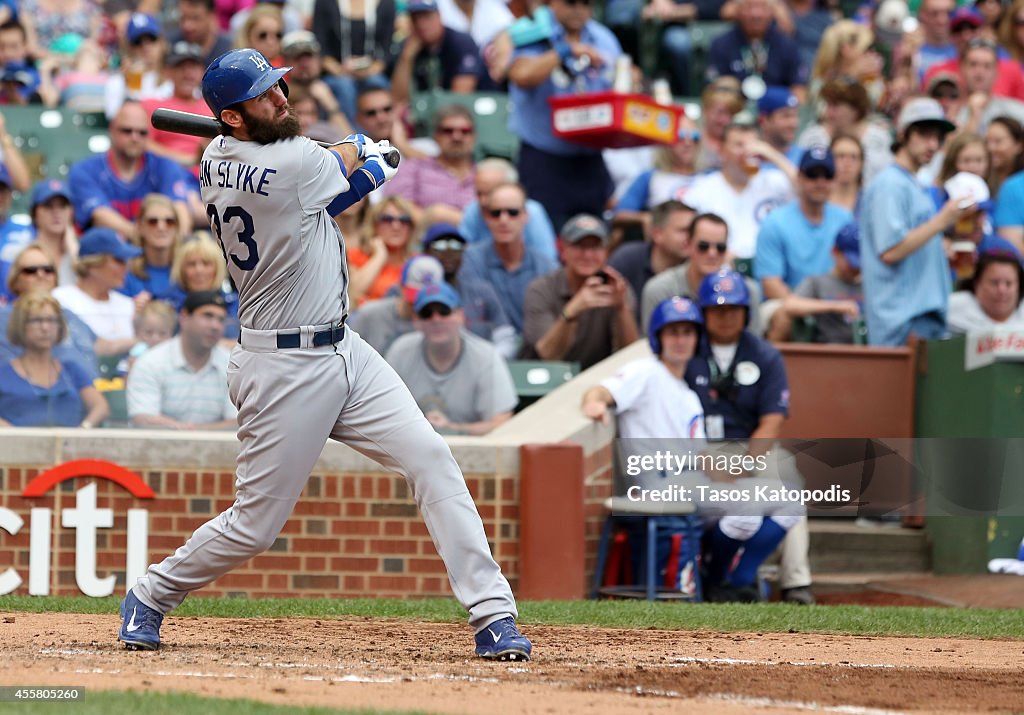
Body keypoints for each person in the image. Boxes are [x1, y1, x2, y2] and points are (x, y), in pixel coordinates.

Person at [118, 48, 531, 661]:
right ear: (232, 117)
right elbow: (351, 179)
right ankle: (151, 593)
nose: (281, 98)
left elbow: (324, 192)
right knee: (255, 526)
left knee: (432, 459)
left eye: (279, 87)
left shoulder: (215, 156)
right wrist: (376, 155)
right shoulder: (289, 162)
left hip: (345, 349)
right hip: (283, 367)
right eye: (265, 95)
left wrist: (352, 155)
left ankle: (493, 613)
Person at [583, 294, 803, 602]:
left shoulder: (688, 394)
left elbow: (700, 457)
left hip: (692, 483)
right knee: (746, 509)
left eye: (687, 332)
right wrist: (594, 403)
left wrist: (734, 479)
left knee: (791, 500)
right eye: (673, 332)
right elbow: (603, 389)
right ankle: (722, 582)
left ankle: (732, 580)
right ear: (658, 337)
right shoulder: (647, 371)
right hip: (657, 485)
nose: (680, 340)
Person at [684, 269, 813, 604]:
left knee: (788, 480)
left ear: (746, 312)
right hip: (701, 447)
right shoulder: (688, 350)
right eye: (717, 309)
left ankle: (796, 582)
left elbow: (772, 420)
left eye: (734, 308)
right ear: (704, 313)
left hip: (750, 446)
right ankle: (726, 575)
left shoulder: (764, 354)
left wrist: (746, 465)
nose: (726, 316)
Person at [859, 97, 966, 346]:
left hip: (919, 316)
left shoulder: (915, 184)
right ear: (905, 134)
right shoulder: (889, 184)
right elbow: (891, 250)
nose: (932, 143)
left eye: (938, 137)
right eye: (924, 134)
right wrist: (942, 221)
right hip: (902, 322)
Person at [506, 0, 621, 229]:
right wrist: (564, 51)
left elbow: (619, 82)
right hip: (545, 159)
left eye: (586, 2)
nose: (578, 8)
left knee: (591, 237)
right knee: (545, 236)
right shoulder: (533, 30)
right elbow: (520, 74)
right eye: (570, 2)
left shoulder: (603, 38)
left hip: (590, 159)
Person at [386, 281, 517, 436]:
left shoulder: (486, 356)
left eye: (444, 311)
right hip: (410, 449)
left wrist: (451, 428)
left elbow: (502, 422)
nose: (436, 319)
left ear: (460, 316)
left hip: (471, 452)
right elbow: (382, 412)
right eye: (426, 313)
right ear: (416, 321)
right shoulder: (400, 351)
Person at [755, 147, 854, 341]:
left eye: (827, 176)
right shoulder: (776, 221)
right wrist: (808, 306)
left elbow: (854, 273)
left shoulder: (845, 219)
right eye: (812, 175)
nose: (820, 182)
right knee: (784, 315)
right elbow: (771, 285)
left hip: (836, 299)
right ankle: (773, 369)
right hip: (788, 301)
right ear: (799, 178)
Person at [521, 214, 640, 370]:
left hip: (596, 381)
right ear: (563, 249)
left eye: (595, 247)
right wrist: (572, 311)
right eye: (579, 246)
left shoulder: (616, 288)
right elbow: (547, 355)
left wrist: (621, 309)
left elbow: (631, 357)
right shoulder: (541, 289)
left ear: (607, 252)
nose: (588, 255)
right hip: (545, 382)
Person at [68, 101, 193, 239]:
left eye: (142, 133)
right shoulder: (85, 170)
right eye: (127, 131)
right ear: (112, 130)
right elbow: (99, 215)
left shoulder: (165, 166)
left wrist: (179, 240)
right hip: (108, 253)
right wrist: (147, 238)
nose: (135, 138)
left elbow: (181, 212)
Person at [683, 122, 796, 261]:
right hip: (721, 268)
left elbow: (808, 189)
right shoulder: (701, 188)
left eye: (753, 144)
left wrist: (771, 154)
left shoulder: (773, 180)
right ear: (722, 150)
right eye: (739, 145)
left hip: (768, 266)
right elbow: (685, 235)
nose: (747, 151)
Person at [127, 290, 237, 430]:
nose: (215, 326)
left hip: (218, 451)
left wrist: (190, 432)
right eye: (207, 316)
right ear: (184, 317)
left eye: (221, 320)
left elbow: (238, 423)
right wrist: (189, 433)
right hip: (158, 449)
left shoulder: (233, 366)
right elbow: (142, 419)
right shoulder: (150, 362)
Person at [457, 182, 559, 333]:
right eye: (495, 213)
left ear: (525, 216)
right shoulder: (469, 261)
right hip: (486, 348)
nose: (503, 220)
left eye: (512, 212)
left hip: (534, 351)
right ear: (485, 217)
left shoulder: (546, 266)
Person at [641, 212, 764, 334]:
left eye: (720, 247)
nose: (712, 253)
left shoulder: (747, 290)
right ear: (688, 245)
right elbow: (651, 346)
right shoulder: (660, 290)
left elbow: (753, 346)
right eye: (703, 246)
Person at [0, 292, 108, 428]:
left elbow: (100, 406)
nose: (45, 328)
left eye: (51, 320)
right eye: (36, 320)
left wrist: (84, 428)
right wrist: (14, 435)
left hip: (67, 446)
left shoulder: (71, 369)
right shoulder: (3, 373)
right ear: (21, 325)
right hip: (16, 446)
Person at [421, 222, 517, 358]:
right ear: (425, 252)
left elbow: (505, 335)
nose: (448, 252)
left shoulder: (482, 291)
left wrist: (489, 362)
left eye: (456, 246)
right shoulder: (410, 293)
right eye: (440, 246)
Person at [0, 242, 99, 373]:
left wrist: (134, 342)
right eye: (31, 270)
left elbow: (100, 346)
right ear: (16, 279)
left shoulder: (66, 314)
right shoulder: (4, 318)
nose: (41, 275)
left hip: (91, 388)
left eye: (48, 269)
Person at [52, 227, 141, 354]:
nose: (125, 267)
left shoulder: (128, 305)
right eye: (119, 260)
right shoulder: (60, 299)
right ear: (93, 264)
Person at [612, 115, 702, 236]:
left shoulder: (710, 177)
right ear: (666, 140)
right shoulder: (650, 177)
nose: (688, 143)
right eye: (680, 136)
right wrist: (645, 218)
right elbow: (619, 214)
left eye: (695, 137)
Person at [381, 104, 477, 216]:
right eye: (448, 131)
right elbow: (395, 206)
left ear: (474, 136)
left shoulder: (485, 176)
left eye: (465, 131)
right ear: (436, 135)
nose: (456, 137)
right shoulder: (414, 168)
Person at [608, 200, 695, 321]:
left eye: (693, 231)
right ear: (657, 234)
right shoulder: (627, 259)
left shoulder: (696, 266)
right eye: (683, 231)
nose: (691, 237)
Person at [781, 221, 865, 344]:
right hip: (828, 349)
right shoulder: (818, 282)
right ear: (835, 252)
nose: (855, 268)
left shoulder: (869, 285)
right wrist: (835, 306)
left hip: (864, 351)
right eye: (851, 262)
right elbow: (790, 305)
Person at [459, 158, 557, 261]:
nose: (483, 201)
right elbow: (463, 252)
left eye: (489, 193)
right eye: (479, 193)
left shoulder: (533, 212)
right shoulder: (473, 210)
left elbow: (548, 259)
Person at [706, 0, 807, 98]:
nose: (755, 15)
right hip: (734, 107)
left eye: (762, 7)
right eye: (749, 7)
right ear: (738, 11)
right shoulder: (721, 44)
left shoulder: (787, 44)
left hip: (775, 109)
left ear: (772, 11)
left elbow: (799, 88)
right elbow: (714, 89)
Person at [351, 254, 444, 356]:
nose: (419, 305)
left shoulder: (440, 325)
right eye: (414, 297)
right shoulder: (369, 315)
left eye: (427, 301)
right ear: (400, 287)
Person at [0, 179, 76, 300]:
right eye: (48, 206)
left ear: (71, 212)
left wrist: (75, 252)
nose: (56, 212)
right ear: (35, 213)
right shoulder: (14, 250)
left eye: (63, 206)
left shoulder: (80, 252)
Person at [392, 0, 480, 104]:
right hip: (427, 110)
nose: (421, 24)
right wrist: (406, 58)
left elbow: (460, 98)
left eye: (426, 17)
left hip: (469, 109)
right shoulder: (409, 46)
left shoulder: (460, 42)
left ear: (439, 16)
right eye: (415, 19)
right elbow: (397, 100)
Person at [140, 42, 211, 169]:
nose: (188, 74)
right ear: (168, 72)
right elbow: (142, 143)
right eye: (181, 67)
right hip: (166, 174)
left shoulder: (213, 107)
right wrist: (191, 160)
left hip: (209, 177)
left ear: (202, 72)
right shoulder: (152, 105)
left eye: (193, 67)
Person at [347, 196, 420, 306]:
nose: (396, 226)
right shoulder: (355, 256)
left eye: (404, 220)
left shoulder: (417, 263)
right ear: (374, 224)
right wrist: (379, 256)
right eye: (387, 219)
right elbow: (352, 294)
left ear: (411, 227)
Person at [122, 194, 184, 305]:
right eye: (152, 221)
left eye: (169, 221)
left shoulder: (190, 268)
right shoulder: (124, 272)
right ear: (140, 227)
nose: (161, 227)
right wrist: (131, 308)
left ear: (177, 228)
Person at [947, 248, 1024, 333]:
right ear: (977, 284)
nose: (1001, 290)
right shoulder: (951, 307)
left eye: (1008, 284)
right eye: (994, 282)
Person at [168, 0, 234, 67]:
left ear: (211, 16)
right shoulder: (169, 46)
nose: (187, 26)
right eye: (183, 18)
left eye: (195, 18)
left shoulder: (228, 50)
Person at [757, 87, 804, 168]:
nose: (793, 124)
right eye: (786, 116)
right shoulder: (750, 159)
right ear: (763, 120)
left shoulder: (804, 158)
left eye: (795, 116)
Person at [829, 134, 865, 214]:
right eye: (840, 156)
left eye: (854, 157)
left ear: (862, 163)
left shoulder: (869, 200)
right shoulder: (818, 199)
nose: (847, 163)